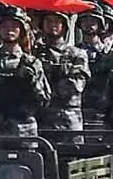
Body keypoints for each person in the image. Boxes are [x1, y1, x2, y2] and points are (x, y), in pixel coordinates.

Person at [0, 6, 51, 137]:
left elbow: (44, 100)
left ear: (21, 30)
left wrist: (32, 83)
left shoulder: (32, 63)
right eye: (5, 26)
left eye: (14, 26)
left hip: (24, 131)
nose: (9, 30)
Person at [34, 11, 90, 139]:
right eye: (48, 21)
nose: (52, 25)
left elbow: (76, 86)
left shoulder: (77, 54)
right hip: (40, 121)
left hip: (68, 121)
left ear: (64, 27)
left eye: (57, 21)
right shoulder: (33, 53)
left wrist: (49, 77)